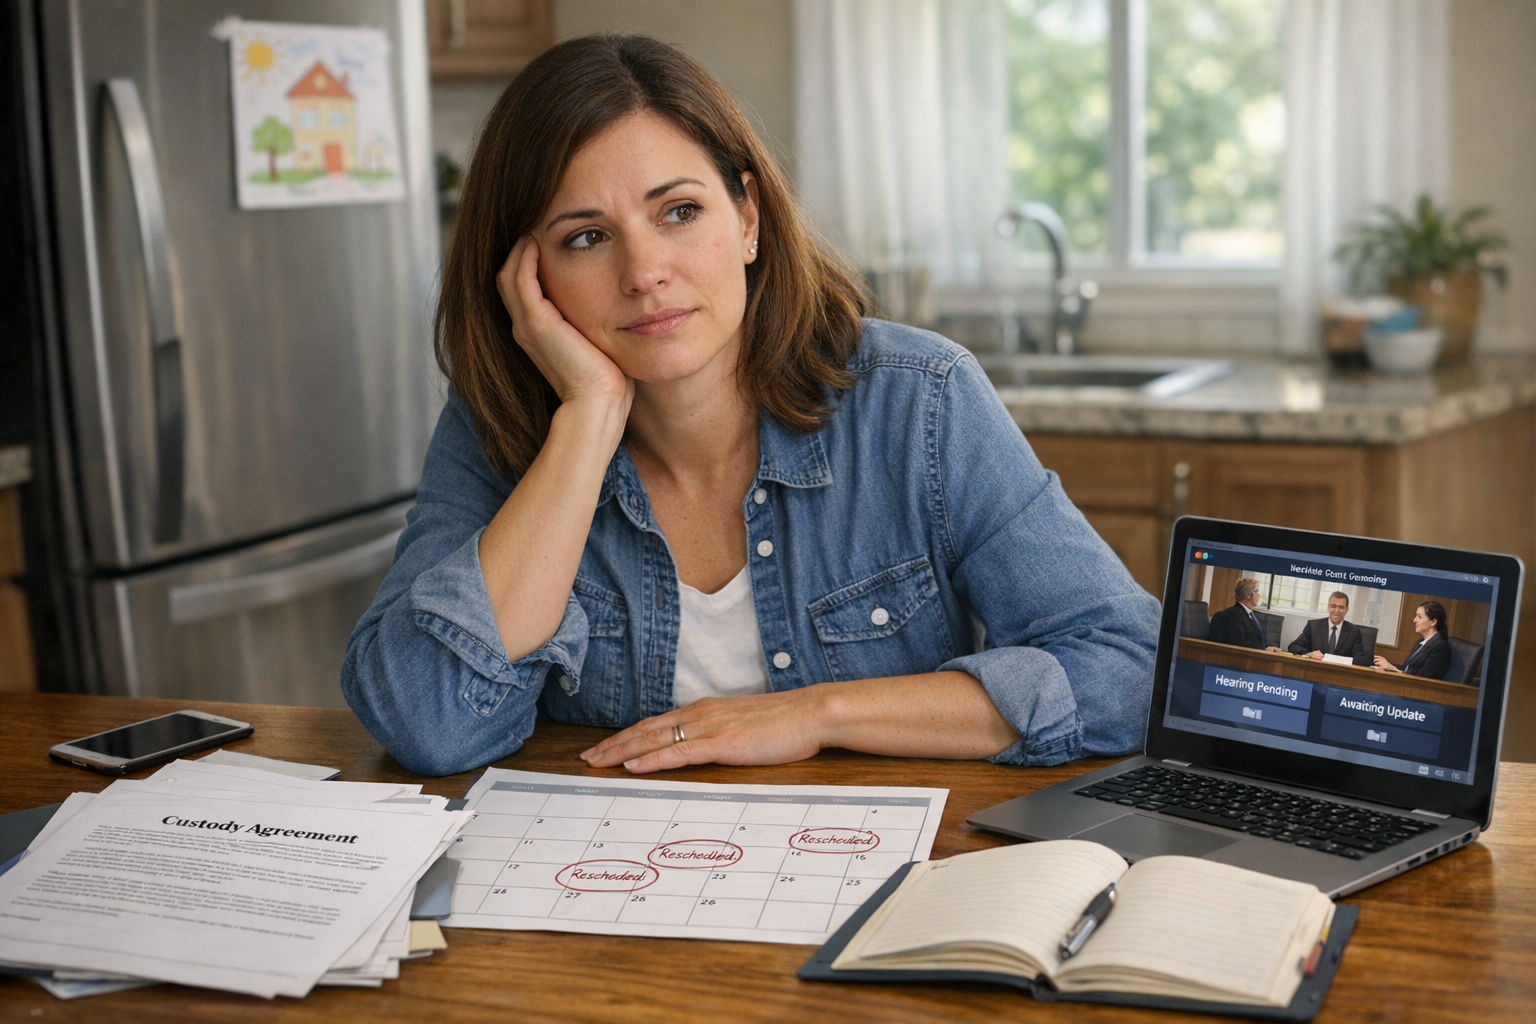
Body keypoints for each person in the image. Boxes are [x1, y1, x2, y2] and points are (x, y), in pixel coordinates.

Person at [340, 35, 1159, 778]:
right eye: (586, 237)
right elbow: (428, 723)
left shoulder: (920, 399)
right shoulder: (504, 431)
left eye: (679, 212)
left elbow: (1127, 665)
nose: (644, 270)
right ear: (529, 276)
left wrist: (816, 714)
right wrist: (588, 418)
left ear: (748, 218)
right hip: (610, 904)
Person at [1374, 601, 1451, 679]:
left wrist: (1392, 668)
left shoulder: (1440, 646)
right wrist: (1389, 666)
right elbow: (1406, 667)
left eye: (1419, 617)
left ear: (1433, 622)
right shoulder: (1420, 643)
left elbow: (1425, 677)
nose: (1414, 620)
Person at [1288, 591, 1369, 665]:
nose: (1336, 611)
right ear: (1328, 607)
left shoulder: (1354, 631)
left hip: (1340, 674)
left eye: (1341, 607)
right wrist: (1309, 654)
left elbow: (1360, 658)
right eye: (1333, 606)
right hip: (1315, 669)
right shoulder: (1313, 626)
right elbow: (1293, 646)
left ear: (1347, 610)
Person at [1207, 579, 1281, 652]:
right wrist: (1263, 649)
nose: (1259, 595)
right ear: (1248, 595)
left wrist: (1267, 649)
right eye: (1256, 592)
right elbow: (1239, 642)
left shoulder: (1250, 614)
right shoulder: (1233, 614)